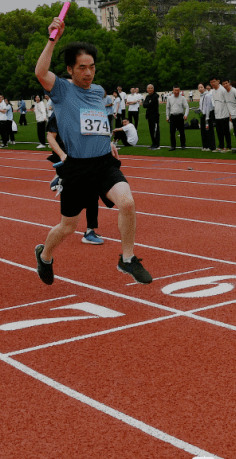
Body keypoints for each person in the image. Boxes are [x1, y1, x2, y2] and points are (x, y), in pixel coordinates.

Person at [33, 19, 151, 285]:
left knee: (128, 203)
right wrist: (53, 38)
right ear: (70, 70)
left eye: (92, 67)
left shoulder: (98, 91)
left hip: (103, 164)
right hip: (77, 168)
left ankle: (128, 259)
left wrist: (108, 141)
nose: (89, 73)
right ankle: (45, 256)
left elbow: (95, 121)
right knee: (68, 226)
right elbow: (40, 71)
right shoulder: (61, 89)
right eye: (82, 68)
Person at [46, 113, 105, 245]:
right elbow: (50, 137)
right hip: (68, 161)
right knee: (70, 216)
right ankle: (61, 178)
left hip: (85, 158)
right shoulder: (58, 113)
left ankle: (90, 231)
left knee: (93, 193)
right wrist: (62, 155)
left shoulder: (85, 110)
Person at [212, 77, 233, 152]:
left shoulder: (223, 90)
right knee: (219, 132)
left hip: (225, 114)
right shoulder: (213, 91)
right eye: (211, 82)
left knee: (226, 132)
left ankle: (228, 146)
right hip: (217, 115)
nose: (213, 83)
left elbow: (228, 102)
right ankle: (221, 146)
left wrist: (230, 114)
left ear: (218, 81)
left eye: (214, 82)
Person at [165, 86, 188, 150]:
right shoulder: (169, 98)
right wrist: (167, 116)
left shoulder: (182, 98)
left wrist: (186, 115)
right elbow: (168, 108)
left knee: (182, 131)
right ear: (173, 90)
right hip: (172, 116)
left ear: (180, 91)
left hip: (180, 116)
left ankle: (183, 145)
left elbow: (187, 107)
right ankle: (173, 146)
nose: (176, 92)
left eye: (178, 90)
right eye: (175, 90)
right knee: (172, 132)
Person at [142, 84, 161, 149]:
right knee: (151, 130)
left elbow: (150, 104)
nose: (149, 90)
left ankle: (157, 144)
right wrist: (148, 103)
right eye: (148, 88)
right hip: (149, 116)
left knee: (156, 130)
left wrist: (148, 103)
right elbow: (144, 105)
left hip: (155, 116)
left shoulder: (155, 96)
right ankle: (153, 143)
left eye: (151, 88)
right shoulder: (147, 97)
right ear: (147, 89)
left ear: (153, 89)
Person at [198, 82, 215, 151]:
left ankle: (211, 146)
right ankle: (205, 146)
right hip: (202, 116)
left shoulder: (207, 96)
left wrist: (207, 117)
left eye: (201, 87)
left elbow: (208, 107)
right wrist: (199, 110)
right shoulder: (201, 96)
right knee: (203, 131)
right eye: (199, 88)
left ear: (204, 88)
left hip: (207, 116)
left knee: (209, 131)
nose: (200, 89)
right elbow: (201, 106)